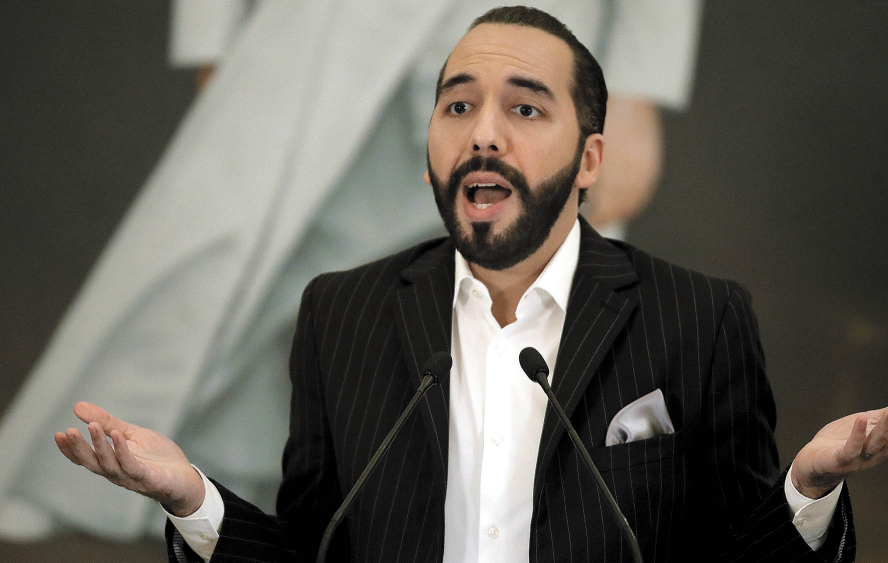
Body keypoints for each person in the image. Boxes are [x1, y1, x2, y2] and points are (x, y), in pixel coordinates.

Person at [54, 7, 888, 562]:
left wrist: (808, 492)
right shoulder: (344, 314)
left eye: (523, 109)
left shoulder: (700, 318)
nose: (483, 135)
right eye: (457, 106)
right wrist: (193, 500)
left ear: (588, 155)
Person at [0, 0, 701, 541]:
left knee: (510, 305)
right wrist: (214, 28)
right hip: (325, 26)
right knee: (249, 281)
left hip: (543, 31)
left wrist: (639, 82)